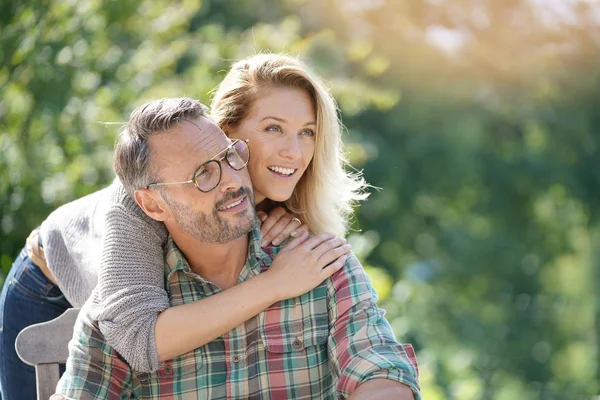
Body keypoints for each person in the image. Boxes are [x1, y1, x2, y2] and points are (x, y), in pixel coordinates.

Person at [0, 53, 366, 399]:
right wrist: (275, 283)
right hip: (47, 283)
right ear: (225, 131)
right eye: (274, 128)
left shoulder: (276, 199)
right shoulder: (137, 206)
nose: (295, 151)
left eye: (307, 132)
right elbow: (138, 338)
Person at [54, 97, 420, 399]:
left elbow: (380, 366)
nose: (232, 180)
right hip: (43, 274)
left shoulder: (318, 264)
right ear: (152, 205)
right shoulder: (125, 308)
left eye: (230, 157)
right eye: (203, 174)